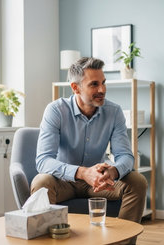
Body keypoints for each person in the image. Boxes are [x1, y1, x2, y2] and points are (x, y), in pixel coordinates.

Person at [31, 57, 148, 225]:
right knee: (41, 182)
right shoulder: (56, 110)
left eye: (103, 82)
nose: (102, 89)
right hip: (64, 182)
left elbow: (126, 156)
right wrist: (83, 173)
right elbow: (43, 161)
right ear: (75, 88)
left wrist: (113, 172)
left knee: (137, 181)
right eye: (94, 84)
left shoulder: (114, 112)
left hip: (100, 182)